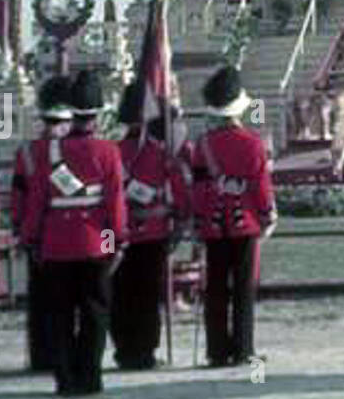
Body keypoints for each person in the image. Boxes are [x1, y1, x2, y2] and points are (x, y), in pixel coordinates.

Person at [20, 70, 126, 397]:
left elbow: (37, 202)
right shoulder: (108, 151)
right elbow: (114, 207)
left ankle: (65, 379)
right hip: (96, 243)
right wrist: (115, 244)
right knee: (95, 314)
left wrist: (32, 240)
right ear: (96, 114)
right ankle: (90, 377)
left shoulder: (46, 153)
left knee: (60, 315)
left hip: (55, 244)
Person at [192, 65, 277, 367]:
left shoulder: (202, 145)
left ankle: (216, 351)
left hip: (213, 225)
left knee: (215, 288)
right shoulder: (253, 143)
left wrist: (199, 219)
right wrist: (269, 215)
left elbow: (199, 188)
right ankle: (243, 349)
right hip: (245, 223)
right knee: (243, 289)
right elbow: (260, 187)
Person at [109, 84, 189, 370]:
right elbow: (179, 191)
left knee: (120, 293)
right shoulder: (161, 154)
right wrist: (180, 220)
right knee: (147, 295)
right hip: (154, 230)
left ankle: (124, 350)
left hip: (118, 232)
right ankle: (144, 351)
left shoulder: (112, 152)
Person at [10, 73, 75, 372]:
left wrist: (20, 231)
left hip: (38, 234)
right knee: (74, 300)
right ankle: (69, 354)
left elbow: (19, 198)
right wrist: (110, 243)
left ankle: (43, 355)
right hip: (76, 236)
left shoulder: (27, 151)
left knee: (41, 299)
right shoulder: (79, 150)